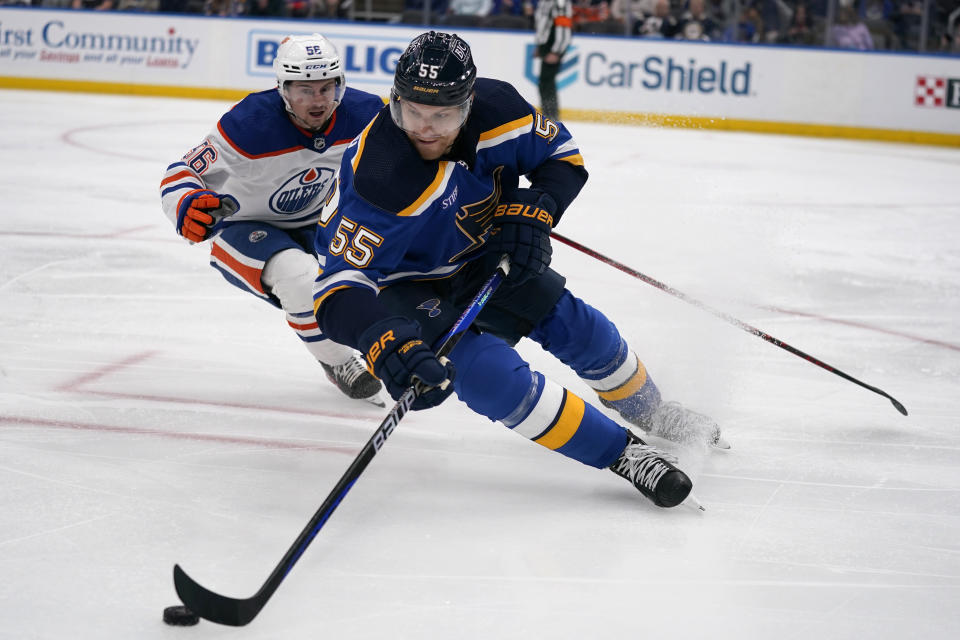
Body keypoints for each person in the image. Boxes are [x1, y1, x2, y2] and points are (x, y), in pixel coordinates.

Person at [312, 31, 726, 509]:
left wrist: (536, 208)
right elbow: (337, 290)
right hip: (402, 286)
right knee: (490, 376)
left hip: (483, 252)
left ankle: (654, 413)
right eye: (411, 112)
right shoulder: (380, 176)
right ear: (394, 99)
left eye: (442, 115)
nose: (424, 128)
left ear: (468, 104)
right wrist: (382, 340)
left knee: (582, 329)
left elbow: (561, 158)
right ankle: (625, 455)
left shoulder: (499, 108)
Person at [159, 34, 385, 405]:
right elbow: (182, 172)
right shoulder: (248, 125)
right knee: (298, 278)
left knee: (382, 268)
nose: (318, 101)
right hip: (244, 228)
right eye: (304, 90)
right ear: (282, 89)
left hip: (318, 222)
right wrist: (187, 203)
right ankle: (340, 362)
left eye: (327, 88)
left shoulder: (366, 114)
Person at [533, 0, 573, 121]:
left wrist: (557, 51)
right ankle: (548, 115)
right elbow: (543, 24)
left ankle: (552, 117)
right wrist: (540, 46)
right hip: (547, 45)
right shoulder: (545, 2)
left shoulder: (560, 2)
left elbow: (563, 28)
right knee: (544, 83)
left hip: (554, 45)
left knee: (547, 83)